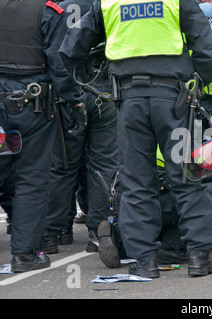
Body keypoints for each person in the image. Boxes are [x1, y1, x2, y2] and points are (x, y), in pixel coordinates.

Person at [59, 0, 212, 278]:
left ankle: (144, 261)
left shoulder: (107, 3)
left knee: (136, 182)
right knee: (185, 176)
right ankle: (198, 257)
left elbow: (71, 49)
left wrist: (97, 83)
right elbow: (206, 46)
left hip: (128, 100)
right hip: (174, 100)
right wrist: (198, 82)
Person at [0, 0, 87, 273]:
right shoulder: (48, 11)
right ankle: (24, 254)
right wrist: (75, 103)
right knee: (32, 178)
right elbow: (60, 66)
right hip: (32, 104)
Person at [39, 0, 119, 256]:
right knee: (103, 165)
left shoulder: (58, 10)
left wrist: (72, 97)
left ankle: (54, 232)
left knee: (62, 167)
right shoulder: (107, 5)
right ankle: (99, 230)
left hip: (70, 97)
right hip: (103, 92)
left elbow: (56, 57)